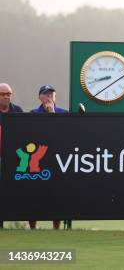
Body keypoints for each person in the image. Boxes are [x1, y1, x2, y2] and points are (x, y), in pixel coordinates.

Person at [30, 84, 66, 230]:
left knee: (56, 193)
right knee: (34, 193)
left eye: (51, 94)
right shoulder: (33, 113)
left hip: (57, 159)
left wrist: (52, 115)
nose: (49, 97)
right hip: (37, 159)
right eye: (45, 94)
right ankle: (32, 227)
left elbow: (63, 134)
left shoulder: (63, 113)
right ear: (40, 97)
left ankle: (56, 228)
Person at [0, 83, 23, 229]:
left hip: (15, 158)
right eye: (3, 94)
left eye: (9, 93)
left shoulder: (17, 110)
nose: (6, 96)